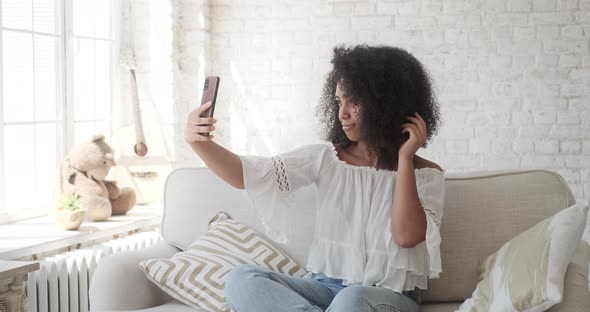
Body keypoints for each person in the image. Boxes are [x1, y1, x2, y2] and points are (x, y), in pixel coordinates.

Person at [184, 44, 445, 312]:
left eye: (353, 102)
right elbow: (247, 175)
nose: (342, 113)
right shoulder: (325, 158)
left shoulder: (426, 175)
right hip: (324, 288)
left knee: (351, 299)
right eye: (338, 101)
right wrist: (199, 144)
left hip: (388, 296)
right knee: (242, 279)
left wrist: (404, 159)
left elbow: (406, 236)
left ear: (386, 103)